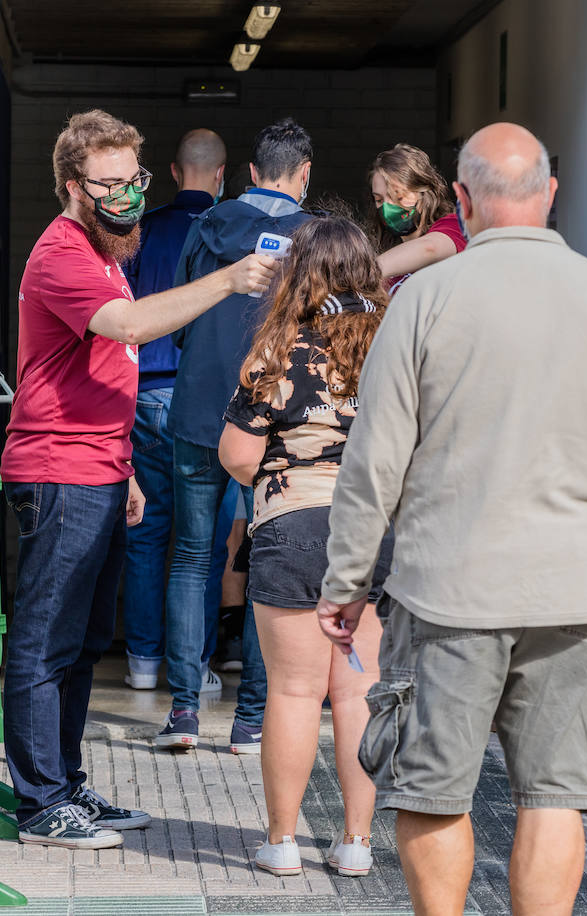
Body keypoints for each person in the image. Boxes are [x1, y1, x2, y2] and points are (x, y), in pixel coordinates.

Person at [317, 123, 587, 915]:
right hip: (578, 595)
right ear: (551, 194)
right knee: (554, 795)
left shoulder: (425, 300)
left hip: (449, 589)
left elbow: (374, 460)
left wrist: (345, 580)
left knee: (435, 788)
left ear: (462, 200)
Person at [2, 109, 274, 849]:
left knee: (87, 641)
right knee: (46, 642)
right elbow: (127, 328)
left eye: (134, 180)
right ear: (72, 185)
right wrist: (225, 280)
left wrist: (124, 469)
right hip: (58, 470)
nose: (125, 195)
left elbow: (104, 371)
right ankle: (39, 803)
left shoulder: (102, 250)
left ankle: (65, 784)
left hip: (97, 467)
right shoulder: (63, 253)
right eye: (109, 183)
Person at [219, 216, 395, 879]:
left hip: (292, 530)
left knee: (293, 694)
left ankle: (283, 843)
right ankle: (356, 843)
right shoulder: (390, 355)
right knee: (356, 694)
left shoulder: (278, 354)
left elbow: (237, 457)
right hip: (371, 531)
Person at [160, 117, 316, 753]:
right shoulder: (313, 238)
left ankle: (184, 713)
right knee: (266, 567)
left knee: (193, 556)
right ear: (304, 174)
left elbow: (177, 318)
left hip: (199, 407)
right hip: (278, 419)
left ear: (250, 173)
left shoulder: (207, 226)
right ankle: (253, 719)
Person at [121, 127, 228, 693]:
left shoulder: (142, 231)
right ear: (222, 174)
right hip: (205, 403)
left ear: (171, 171)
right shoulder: (230, 231)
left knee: (146, 532)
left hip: (143, 395)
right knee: (201, 542)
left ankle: (141, 661)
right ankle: (197, 667)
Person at [369, 143, 467, 292]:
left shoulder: (453, 226)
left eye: (398, 196)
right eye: (379, 200)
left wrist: (364, 272)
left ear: (424, 193)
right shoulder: (388, 251)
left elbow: (430, 248)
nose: (387, 207)